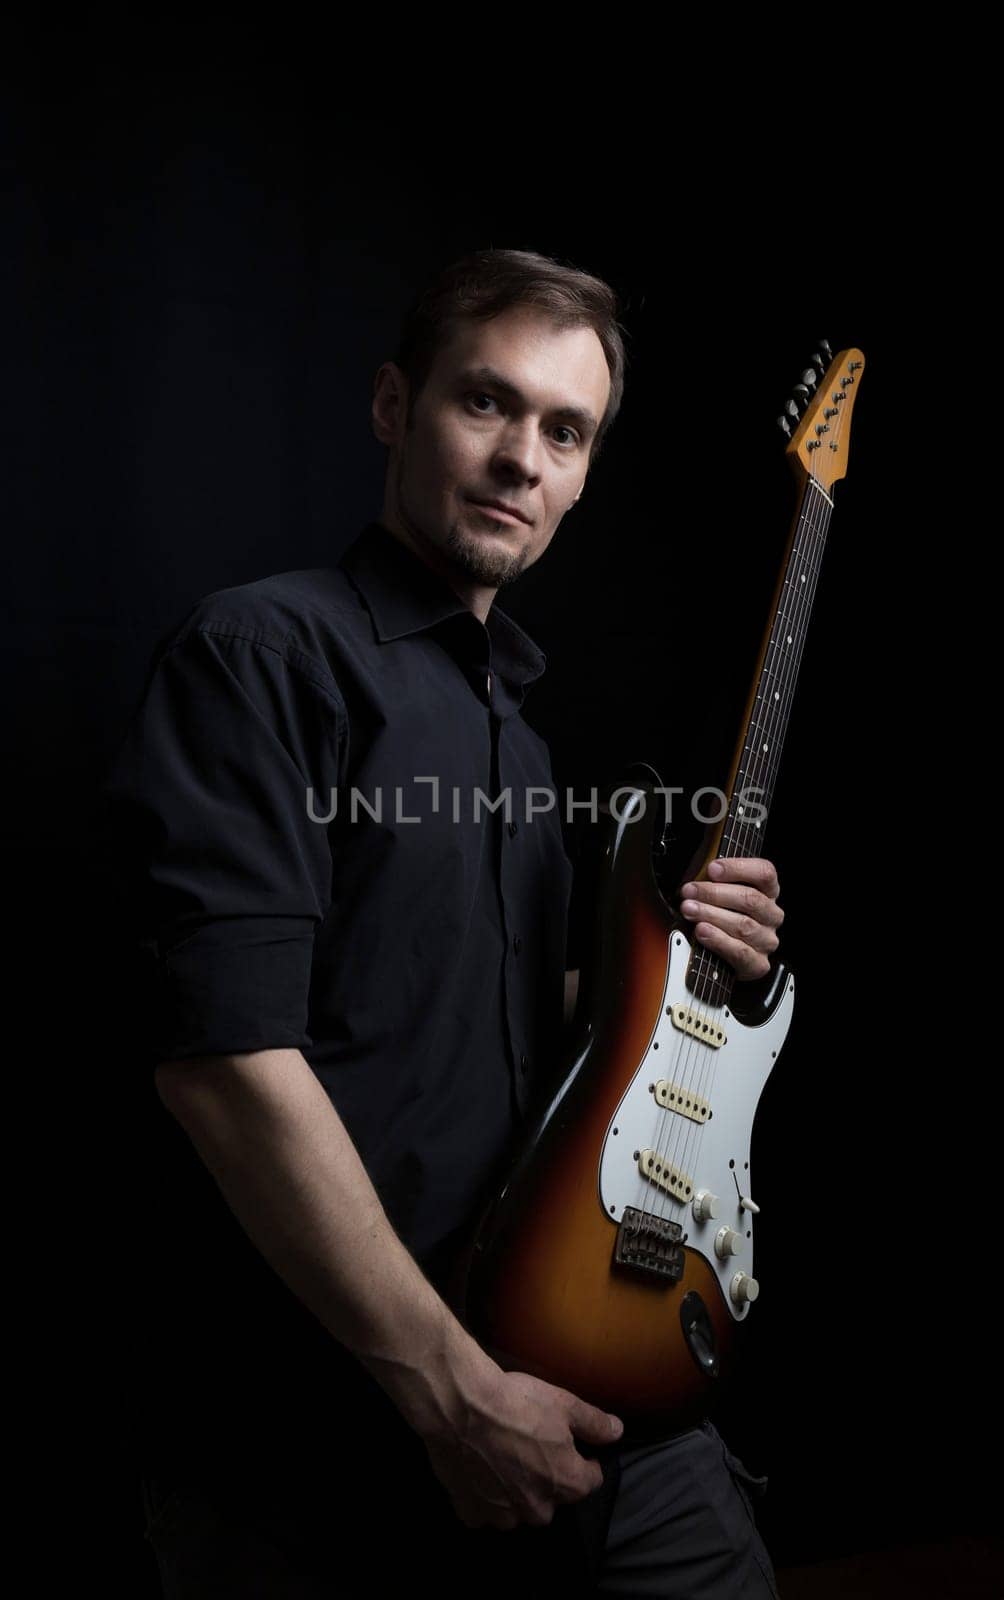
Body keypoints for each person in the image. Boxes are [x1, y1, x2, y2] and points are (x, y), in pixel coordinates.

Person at [103, 248, 785, 1597]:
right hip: (337, 1434)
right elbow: (225, 1066)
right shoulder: (261, 654)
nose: (520, 457)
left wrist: (688, 968)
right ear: (390, 408)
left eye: (563, 430)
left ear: (585, 476)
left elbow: (524, 1041)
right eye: (485, 403)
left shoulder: (517, 736)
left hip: (583, 1383)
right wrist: (450, 1393)